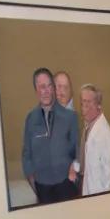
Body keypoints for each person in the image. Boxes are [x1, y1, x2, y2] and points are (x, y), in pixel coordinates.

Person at [22, 67, 79, 204]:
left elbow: (78, 151)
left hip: (67, 188)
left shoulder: (70, 117)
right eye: (42, 87)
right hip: (43, 190)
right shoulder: (30, 119)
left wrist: (74, 171)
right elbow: (26, 155)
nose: (46, 91)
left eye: (49, 86)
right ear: (36, 90)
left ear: (53, 88)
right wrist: (34, 184)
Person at [78, 84, 110, 196]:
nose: (84, 106)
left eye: (88, 102)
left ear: (99, 105)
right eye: (83, 102)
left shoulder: (105, 135)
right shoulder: (87, 128)